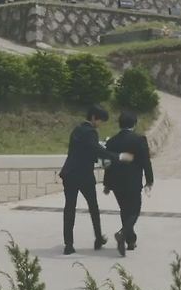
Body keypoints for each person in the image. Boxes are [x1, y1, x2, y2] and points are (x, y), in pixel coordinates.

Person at [59, 105, 133, 255]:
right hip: (84, 175)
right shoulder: (91, 132)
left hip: (69, 173)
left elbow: (82, 150)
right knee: (93, 207)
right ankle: (98, 238)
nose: (100, 124)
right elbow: (96, 150)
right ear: (93, 117)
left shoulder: (77, 130)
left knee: (69, 209)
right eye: (100, 121)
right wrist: (118, 156)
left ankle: (68, 245)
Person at [102, 111, 154, 257]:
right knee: (134, 210)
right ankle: (123, 233)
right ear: (135, 123)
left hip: (116, 183)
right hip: (133, 182)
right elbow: (145, 161)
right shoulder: (139, 140)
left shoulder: (111, 142)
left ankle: (130, 241)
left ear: (119, 124)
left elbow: (108, 164)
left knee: (124, 210)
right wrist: (149, 180)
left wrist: (107, 184)